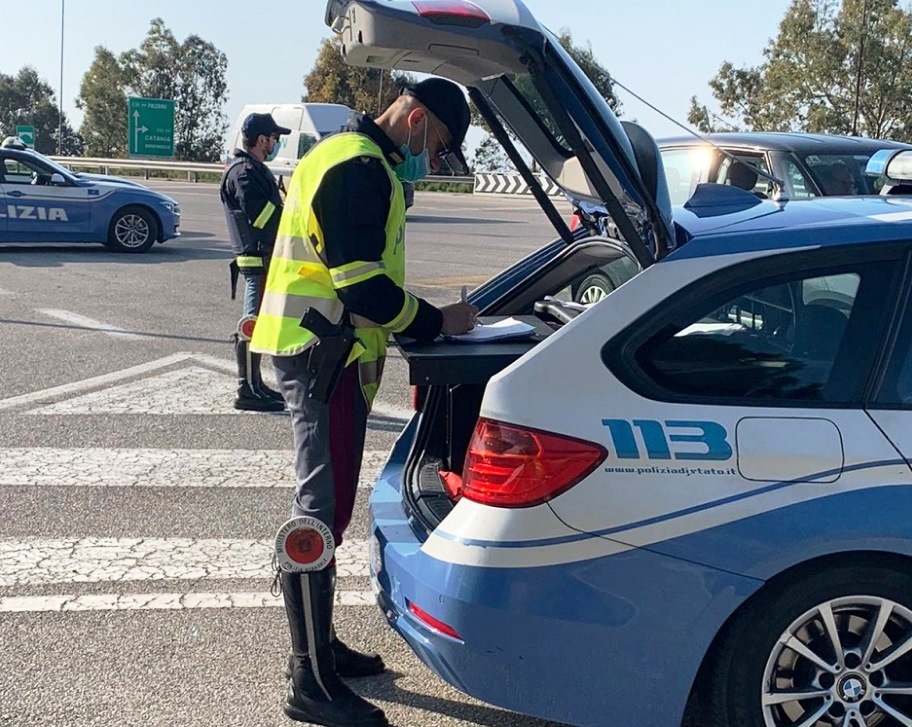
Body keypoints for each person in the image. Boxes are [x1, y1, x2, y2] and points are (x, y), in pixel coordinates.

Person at [250, 77, 478, 726]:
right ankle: (310, 681)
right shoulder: (359, 168)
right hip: (325, 357)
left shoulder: (348, 153)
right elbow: (363, 288)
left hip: (322, 352)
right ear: (416, 119)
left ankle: (319, 648)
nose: (431, 163)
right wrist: (439, 324)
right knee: (317, 513)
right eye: (436, 146)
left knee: (326, 507)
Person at [220, 112, 290, 412]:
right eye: (275, 139)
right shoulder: (244, 172)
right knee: (252, 323)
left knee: (258, 323)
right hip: (256, 257)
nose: (276, 144)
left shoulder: (254, 169)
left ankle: (255, 384)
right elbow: (261, 217)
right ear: (261, 140)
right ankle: (246, 388)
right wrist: (292, 219)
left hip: (264, 256)